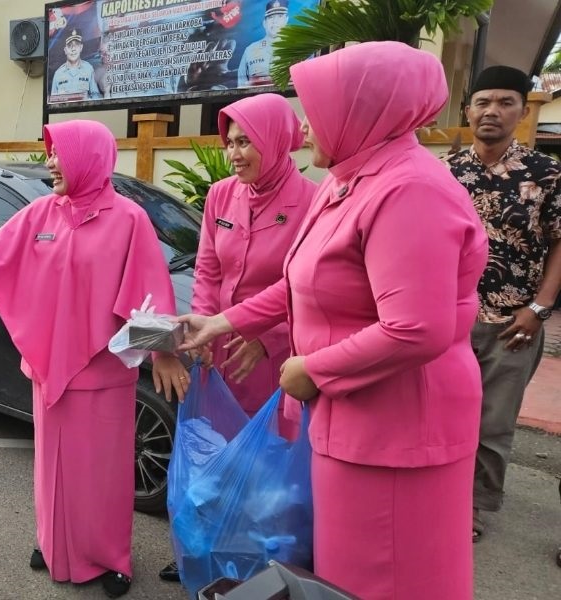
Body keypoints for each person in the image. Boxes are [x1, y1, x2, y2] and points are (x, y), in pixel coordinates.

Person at [177, 41, 488, 599]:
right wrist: (219, 325)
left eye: (313, 108)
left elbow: (415, 327)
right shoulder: (351, 181)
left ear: (361, 110)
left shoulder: (408, 188)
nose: (301, 126)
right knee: (343, 576)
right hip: (350, 420)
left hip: (396, 429)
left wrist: (312, 370)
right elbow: (298, 285)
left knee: (385, 578)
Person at [0, 119, 189, 598]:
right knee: (53, 469)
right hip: (48, 368)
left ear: (87, 157)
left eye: (58, 153)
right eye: (49, 154)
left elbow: (150, 293)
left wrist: (167, 354)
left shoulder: (128, 218)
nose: (51, 162)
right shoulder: (44, 212)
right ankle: (54, 545)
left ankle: (110, 558)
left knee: (103, 473)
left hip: (103, 371)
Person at [158, 92, 316, 583]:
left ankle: (263, 568)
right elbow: (206, 267)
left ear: (275, 139)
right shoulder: (221, 195)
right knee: (216, 456)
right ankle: (205, 553)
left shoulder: (312, 202)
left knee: (269, 466)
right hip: (220, 349)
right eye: (231, 142)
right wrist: (204, 321)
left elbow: (309, 288)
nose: (235, 153)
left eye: (247, 141)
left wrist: (268, 337)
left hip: (276, 358)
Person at [445, 65, 561, 543]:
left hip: (513, 322)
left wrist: (539, 308)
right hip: (448, 318)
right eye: (483, 101)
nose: (492, 111)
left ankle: (472, 508)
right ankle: (438, 494)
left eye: (505, 102)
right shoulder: (447, 171)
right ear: (468, 109)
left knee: (492, 421)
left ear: (522, 109)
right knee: (442, 414)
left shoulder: (547, 173)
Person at [237, 0, 289, 88]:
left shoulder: (299, 48)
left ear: (286, 19)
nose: (275, 21)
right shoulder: (250, 51)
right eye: (271, 17)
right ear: (264, 23)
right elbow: (241, 87)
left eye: (280, 16)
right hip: (257, 100)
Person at [50, 30, 101, 100]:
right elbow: (53, 101)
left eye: (76, 45)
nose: (73, 49)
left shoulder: (89, 69)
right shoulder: (58, 74)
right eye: (69, 46)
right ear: (65, 50)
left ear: (81, 47)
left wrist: (87, 100)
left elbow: (96, 96)